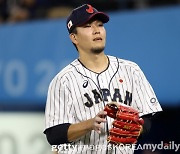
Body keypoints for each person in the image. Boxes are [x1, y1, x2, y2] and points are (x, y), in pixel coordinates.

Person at [44, 4, 162, 154]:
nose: (96, 30)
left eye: (100, 25)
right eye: (87, 26)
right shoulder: (63, 80)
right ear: (74, 37)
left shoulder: (131, 70)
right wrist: (90, 124)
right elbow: (54, 135)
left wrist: (136, 129)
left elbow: (147, 118)